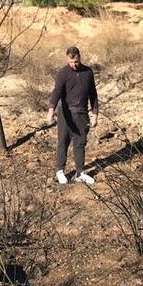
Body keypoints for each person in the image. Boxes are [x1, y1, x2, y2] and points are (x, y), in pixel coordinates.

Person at [46, 46, 99, 185]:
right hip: (65, 112)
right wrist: (51, 109)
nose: (73, 65)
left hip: (81, 113)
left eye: (75, 61)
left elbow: (93, 95)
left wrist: (95, 114)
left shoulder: (88, 72)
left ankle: (80, 173)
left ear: (79, 57)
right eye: (70, 62)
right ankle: (60, 171)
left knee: (80, 143)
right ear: (67, 59)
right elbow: (57, 91)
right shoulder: (63, 73)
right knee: (63, 142)